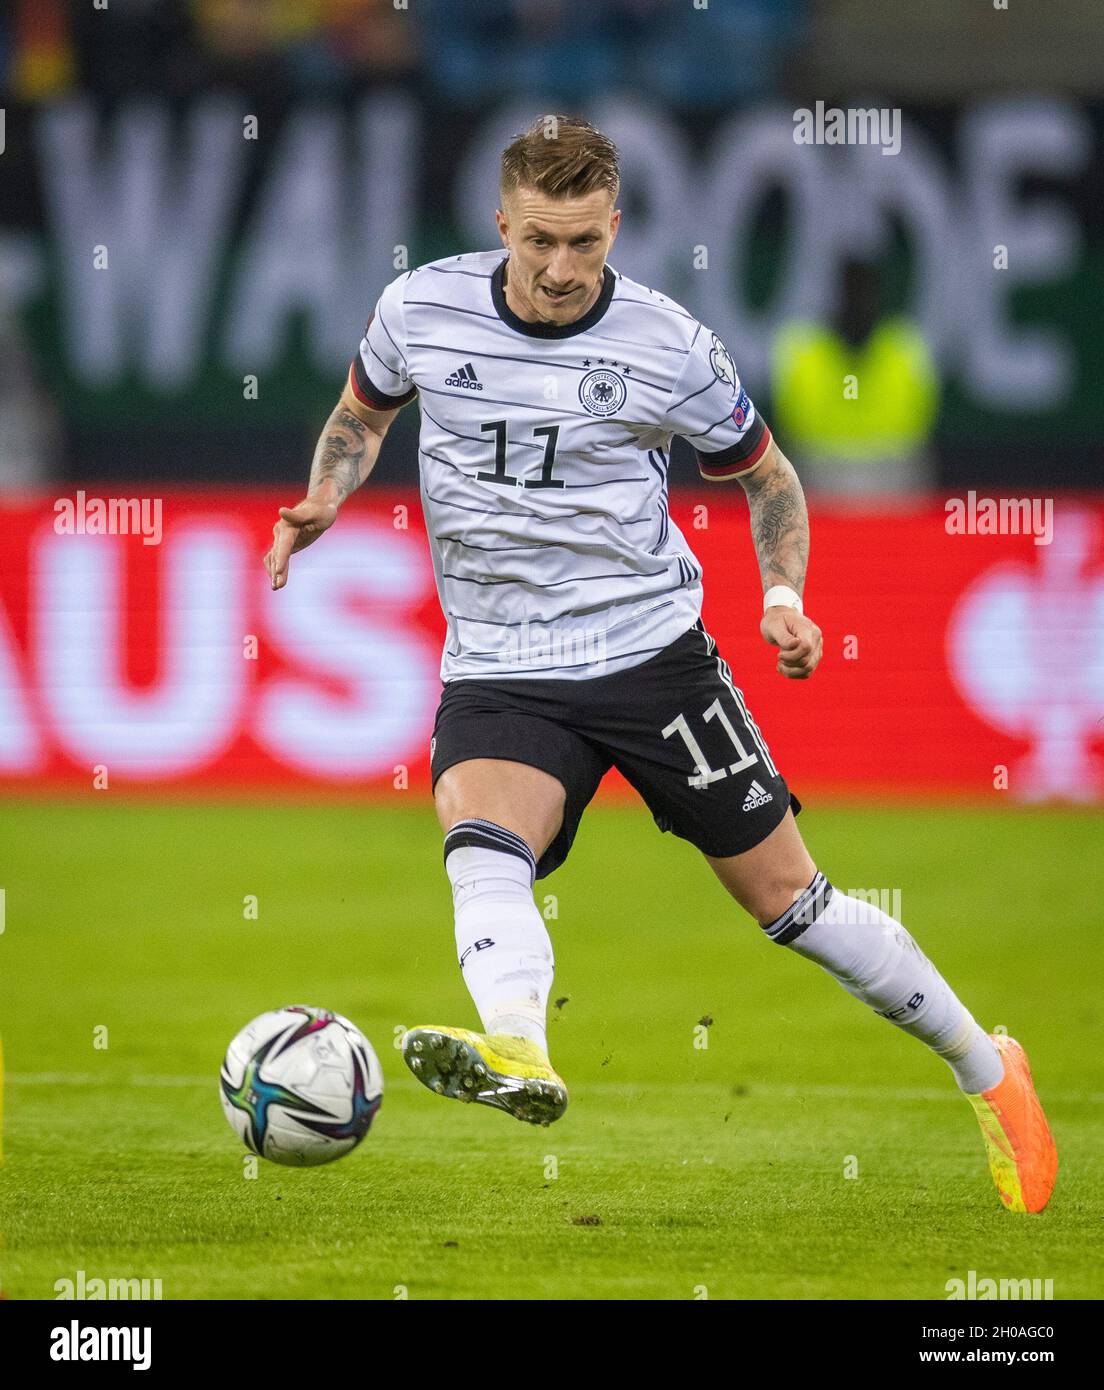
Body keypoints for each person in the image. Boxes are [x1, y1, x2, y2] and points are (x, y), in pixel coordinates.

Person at [264, 116, 1056, 1214]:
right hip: (500, 660)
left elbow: (769, 477)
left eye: (584, 242)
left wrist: (782, 596)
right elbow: (362, 414)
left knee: (795, 904)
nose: (559, 268)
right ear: (501, 223)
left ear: (615, 228)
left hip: (651, 657)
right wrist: (326, 495)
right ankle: (521, 1049)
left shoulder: (667, 344)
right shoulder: (420, 308)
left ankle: (988, 1067)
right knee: (479, 838)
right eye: (540, 239)